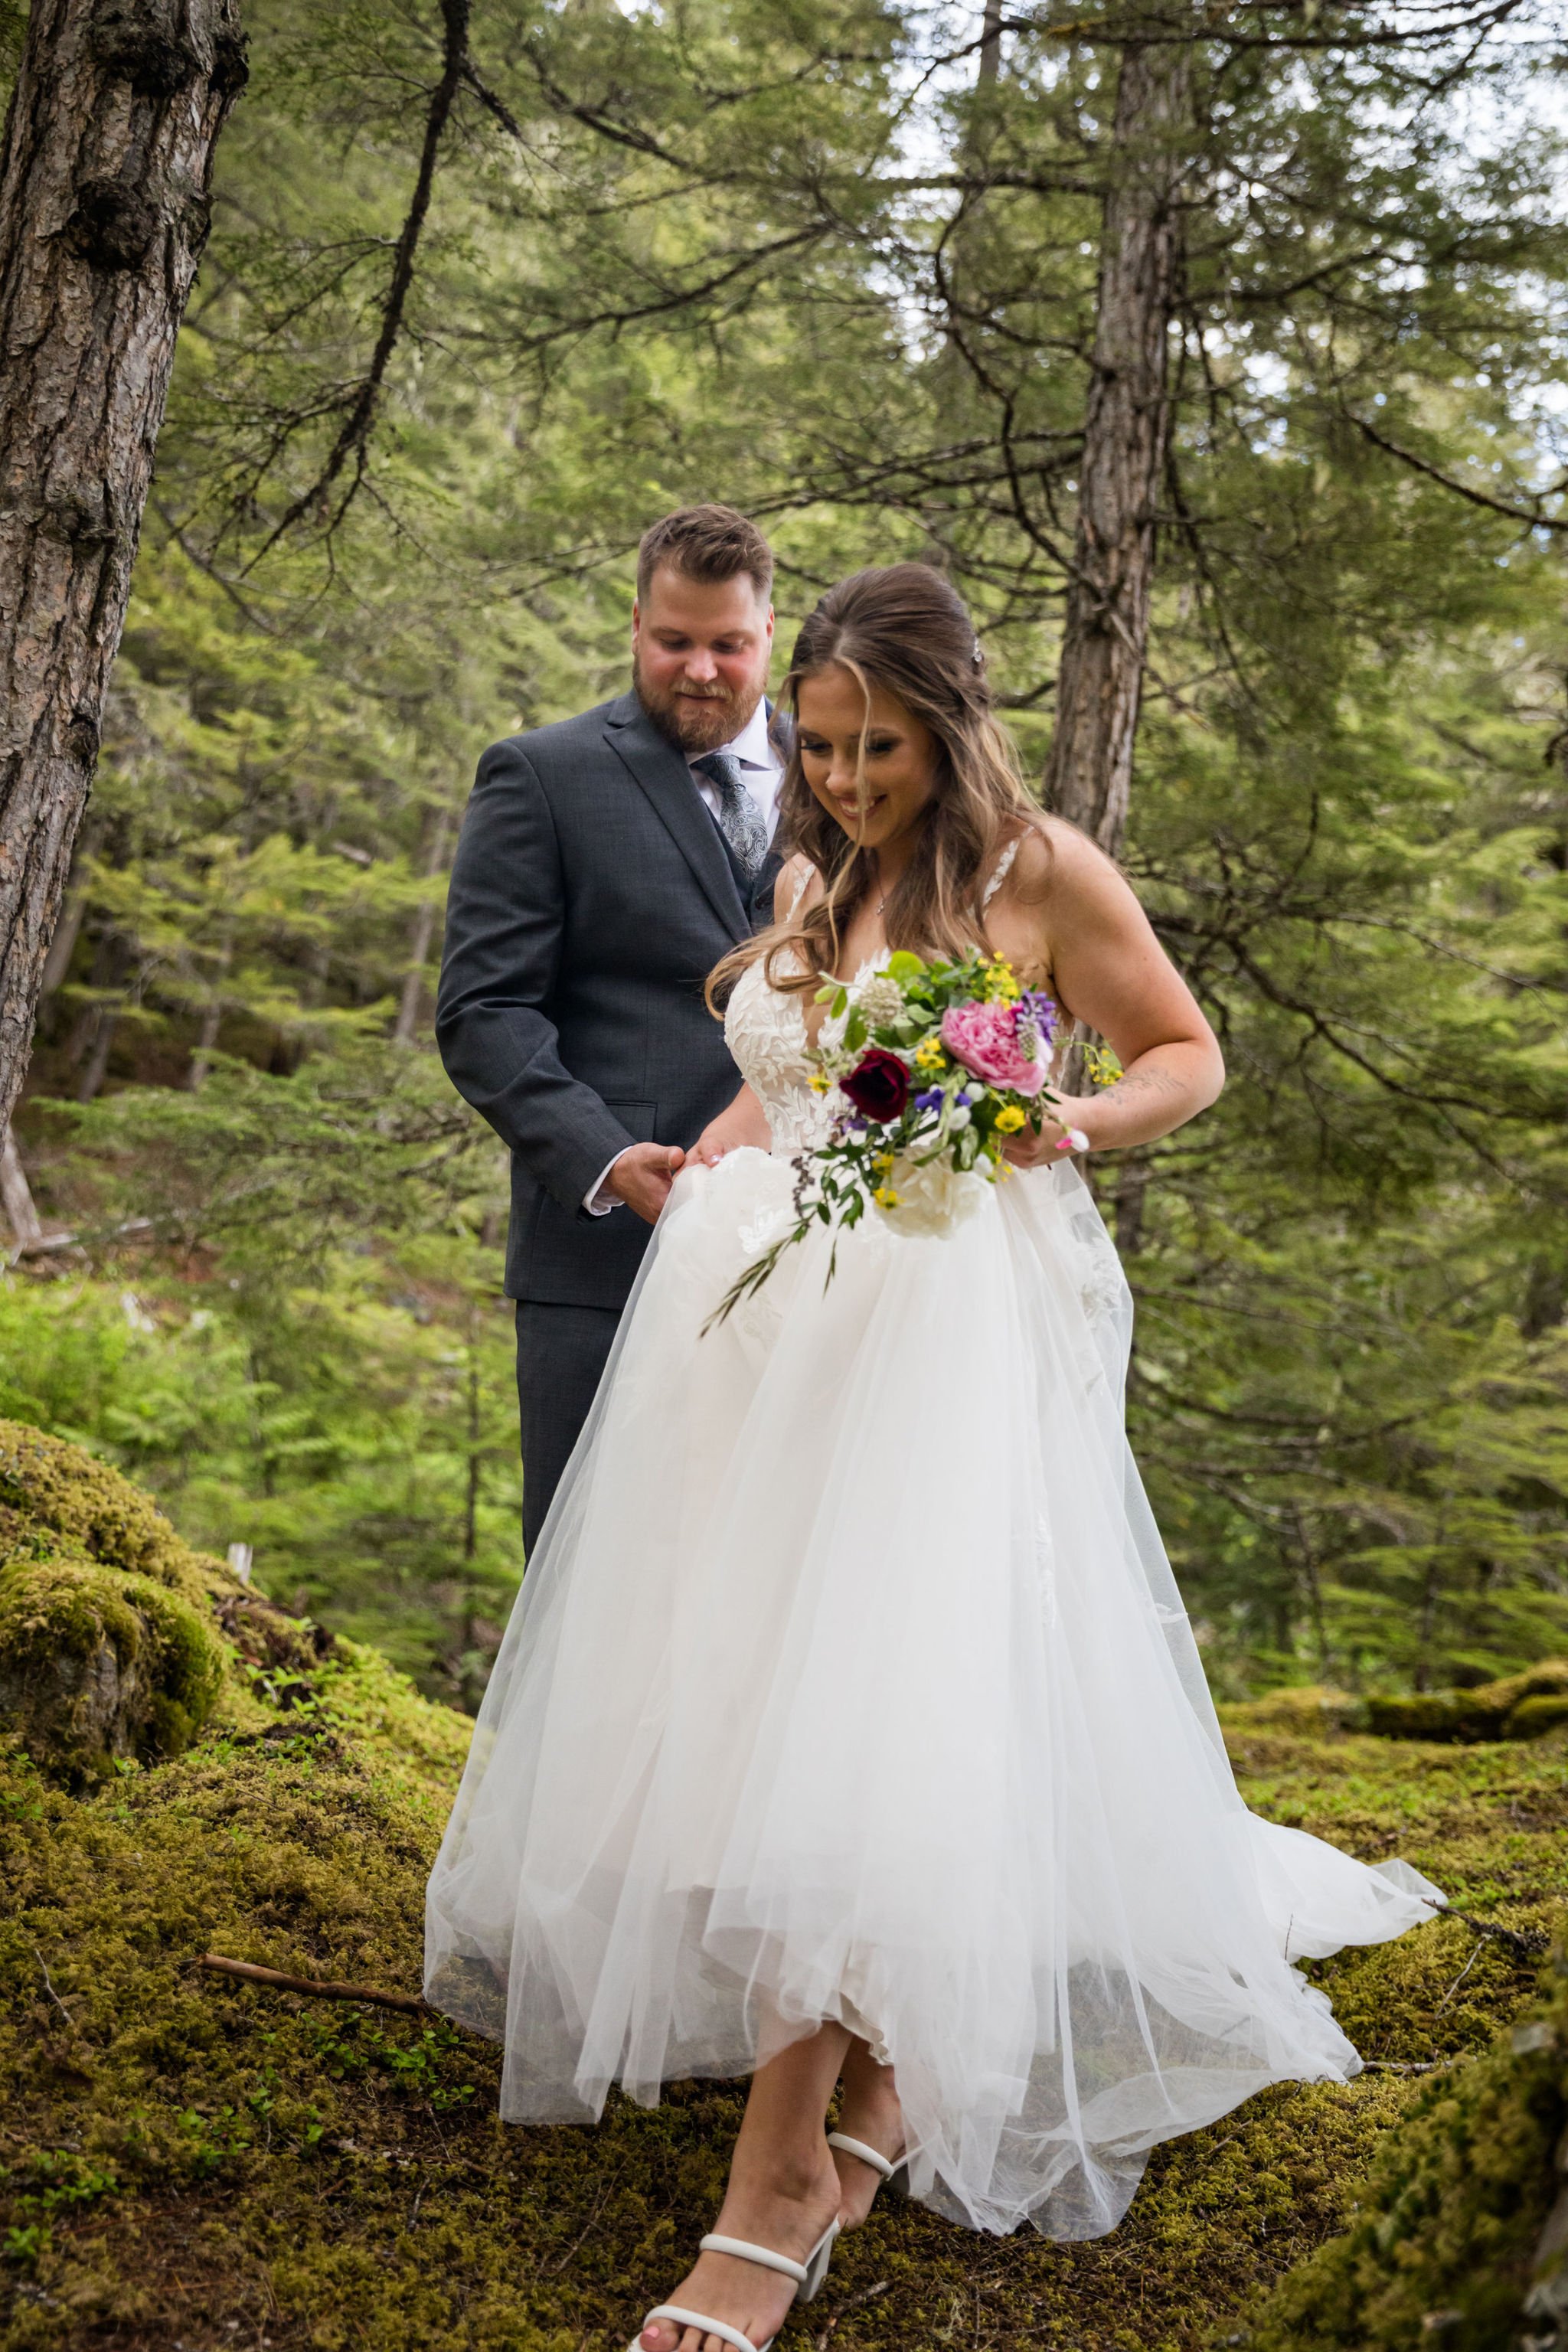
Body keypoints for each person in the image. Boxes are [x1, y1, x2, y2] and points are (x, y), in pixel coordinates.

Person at [426, 565, 1442, 2352]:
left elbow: (1184, 1053)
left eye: (876, 748)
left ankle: (776, 2183)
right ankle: (875, 2084)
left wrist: (1069, 1120)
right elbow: (796, 1081)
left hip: (940, 1318)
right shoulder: (818, 871)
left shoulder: (1037, 871)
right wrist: (695, 1165)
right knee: (763, 1699)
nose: (841, 778)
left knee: (872, 1698)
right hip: (771, 1313)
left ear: (950, 725)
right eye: (819, 747)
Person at [436, 505, 788, 1554]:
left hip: (807, 1250)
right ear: (635, 624)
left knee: (776, 1576)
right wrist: (603, 1158)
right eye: (674, 640)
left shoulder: (847, 779)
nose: (701, 670)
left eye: (728, 644)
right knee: (591, 1573)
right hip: (601, 1260)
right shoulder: (541, 774)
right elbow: (485, 1010)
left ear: (770, 633)